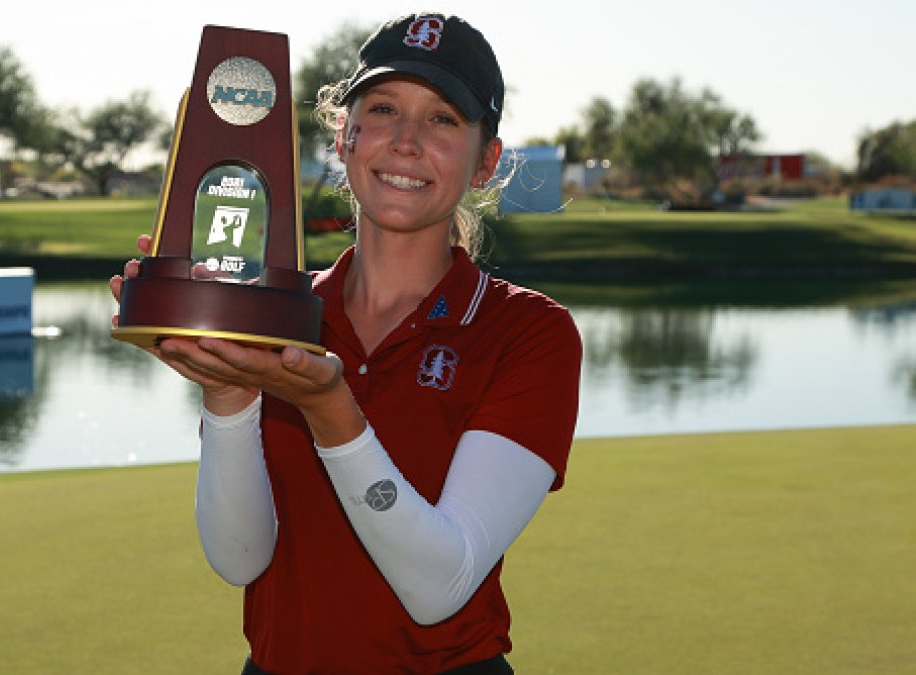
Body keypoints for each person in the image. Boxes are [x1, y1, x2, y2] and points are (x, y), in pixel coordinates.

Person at [110, 12, 582, 674]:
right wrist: (229, 393)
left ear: (487, 161)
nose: (406, 141)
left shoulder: (527, 332)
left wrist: (330, 410)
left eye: (443, 118)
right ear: (344, 133)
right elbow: (239, 557)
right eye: (383, 108)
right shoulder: (278, 312)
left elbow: (438, 588)